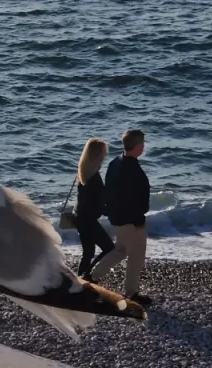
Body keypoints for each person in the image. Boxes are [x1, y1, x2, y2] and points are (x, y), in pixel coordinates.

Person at [89, 129, 152, 306]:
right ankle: (131, 293)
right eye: (142, 143)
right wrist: (138, 218)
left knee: (121, 250)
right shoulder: (131, 168)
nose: (144, 146)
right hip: (130, 220)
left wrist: (110, 211)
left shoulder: (116, 162)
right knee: (136, 257)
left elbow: (109, 191)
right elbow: (132, 199)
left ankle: (92, 276)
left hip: (117, 217)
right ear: (138, 146)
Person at [73, 138, 115, 280]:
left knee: (88, 253)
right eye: (104, 152)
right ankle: (87, 277)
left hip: (80, 217)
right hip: (88, 220)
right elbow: (97, 202)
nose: (105, 155)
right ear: (97, 154)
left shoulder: (83, 170)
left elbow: (89, 200)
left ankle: (80, 279)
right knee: (109, 249)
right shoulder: (93, 176)